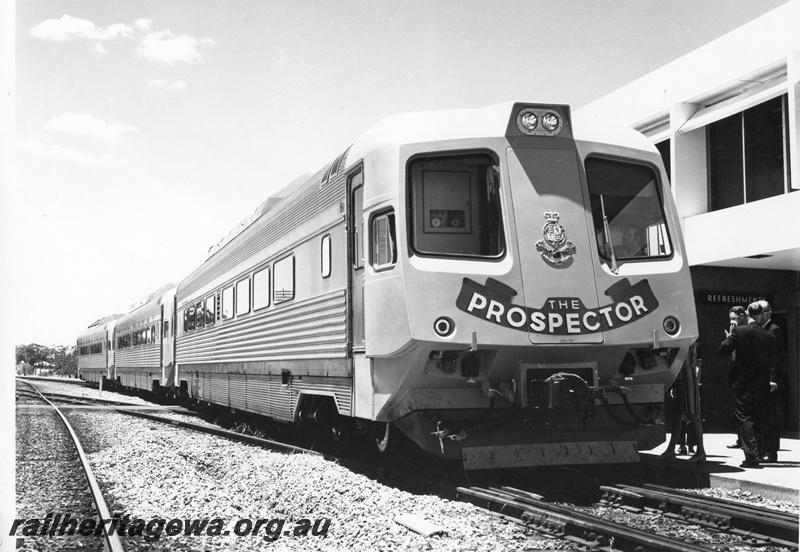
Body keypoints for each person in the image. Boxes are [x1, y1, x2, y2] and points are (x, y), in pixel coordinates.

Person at [719, 302, 777, 468]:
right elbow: (772, 361)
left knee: (743, 416)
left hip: (741, 382)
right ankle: (758, 452)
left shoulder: (738, 331)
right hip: (761, 383)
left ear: (748, 314)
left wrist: (729, 336)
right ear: (761, 315)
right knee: (758, 417)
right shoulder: (769, 336)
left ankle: (751, 456)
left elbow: (723, 349)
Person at [660, 341, 706, 463]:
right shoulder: (686, 342)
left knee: (692, 414)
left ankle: (700, 451)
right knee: (678, 415)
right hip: (683, 379)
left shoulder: (689, 343)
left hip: (687, 379)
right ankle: (671, 449)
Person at [756, 300, 783, 463]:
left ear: (768, 313)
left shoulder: (775, 330)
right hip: (759, 380)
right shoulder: (758, 330)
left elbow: (776, 358)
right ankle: (762, 448)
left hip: (770, 381)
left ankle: (771, 451)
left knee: (771, 416)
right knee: (761, 416)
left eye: (760, 310)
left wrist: (772, 379)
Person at [725, 306, 747, 449]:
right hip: (734, 372)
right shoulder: (734, 331)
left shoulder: (745, 331)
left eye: (734, 318)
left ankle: (745, 440)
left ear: (742, 316)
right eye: (730, 319)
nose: (732, 321)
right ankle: (740, 438)